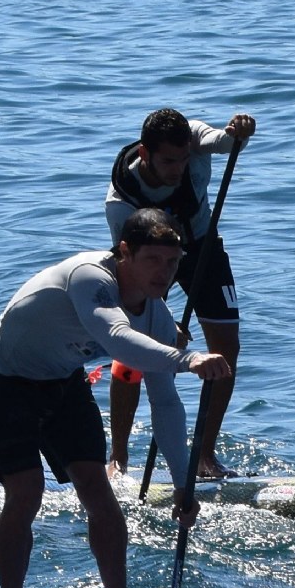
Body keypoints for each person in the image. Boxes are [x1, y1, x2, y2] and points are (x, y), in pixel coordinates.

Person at [0, 206, 233, 588]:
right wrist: (189, 359)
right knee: (26, 491)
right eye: (152, 260)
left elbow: (166, 404)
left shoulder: (156, 316)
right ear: (125, 252)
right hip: (6, 380)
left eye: (172, 263)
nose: (164, 273)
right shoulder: (91, 278)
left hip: (63, 382)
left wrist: (183, 483)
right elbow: (116, 339)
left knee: (97, 487)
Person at [103, 104, 254, 477]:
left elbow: (219, 140)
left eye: (184, 159)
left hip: (201, 245)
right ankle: (118, 458)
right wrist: (165, 324)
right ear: (144, 154)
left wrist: (237, 133)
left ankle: (205, 456)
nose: (179, 169)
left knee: (227, 348)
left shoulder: (194, 143)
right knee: (137, 349)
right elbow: (134, 273)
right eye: (169, 162)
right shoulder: (121, 205)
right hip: (149, 259)